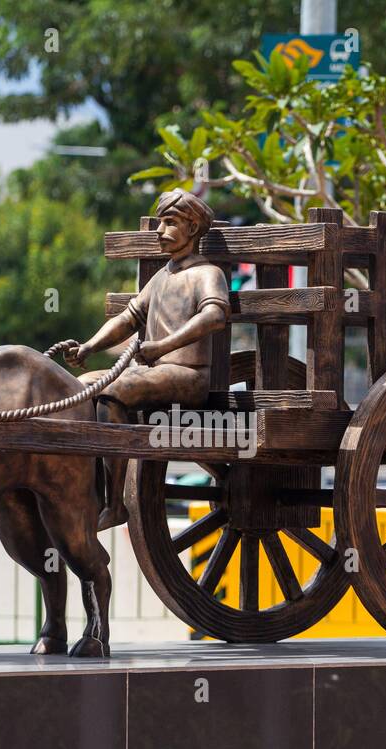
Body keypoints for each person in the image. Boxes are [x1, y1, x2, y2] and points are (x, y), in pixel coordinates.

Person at [67, 189, 231, 530]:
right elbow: (128, 319)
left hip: (188, 375)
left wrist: (162, 347)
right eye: (160, 222)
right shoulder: (162, 277)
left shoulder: (207, 274)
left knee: (111, 392)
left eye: (169, 222)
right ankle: (91, 492)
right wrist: (89, 347)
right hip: (156, 371)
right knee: (79, 387)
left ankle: (115, 505)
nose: (159, 230)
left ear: (192, 227)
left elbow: (214, 316)